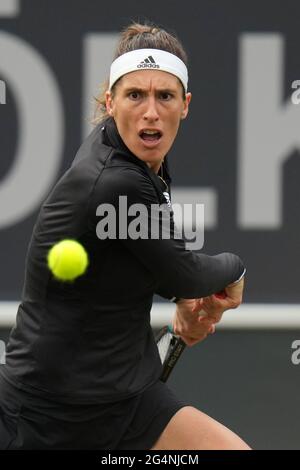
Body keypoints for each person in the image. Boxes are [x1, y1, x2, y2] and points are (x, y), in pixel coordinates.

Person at [0, 21, 250, 450]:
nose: (150, 111)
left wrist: (186, 304)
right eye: (135, 95)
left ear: (184, 105)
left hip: (129, 402)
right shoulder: (116, 180)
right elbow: (183, 274)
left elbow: (144, 256)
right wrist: (235, 269)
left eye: (164, 96)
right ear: (110, 102)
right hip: (48, 413)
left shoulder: (135, 156)